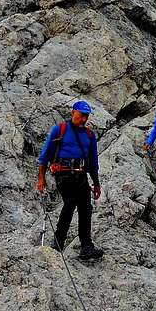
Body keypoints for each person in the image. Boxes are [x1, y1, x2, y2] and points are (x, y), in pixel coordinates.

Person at [37, 100, 104, 260]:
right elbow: (45, 156)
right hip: (63, 175)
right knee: (70, 203)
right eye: (81, 116)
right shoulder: (59, 130)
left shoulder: (89, 135)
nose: (83, 120)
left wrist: (96, 183)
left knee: (86, 208)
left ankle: (86, 246)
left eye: (86, 117)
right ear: (73, 112)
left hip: (80, 175)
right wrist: (41, 179)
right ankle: (59, 242)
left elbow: (93, 162)